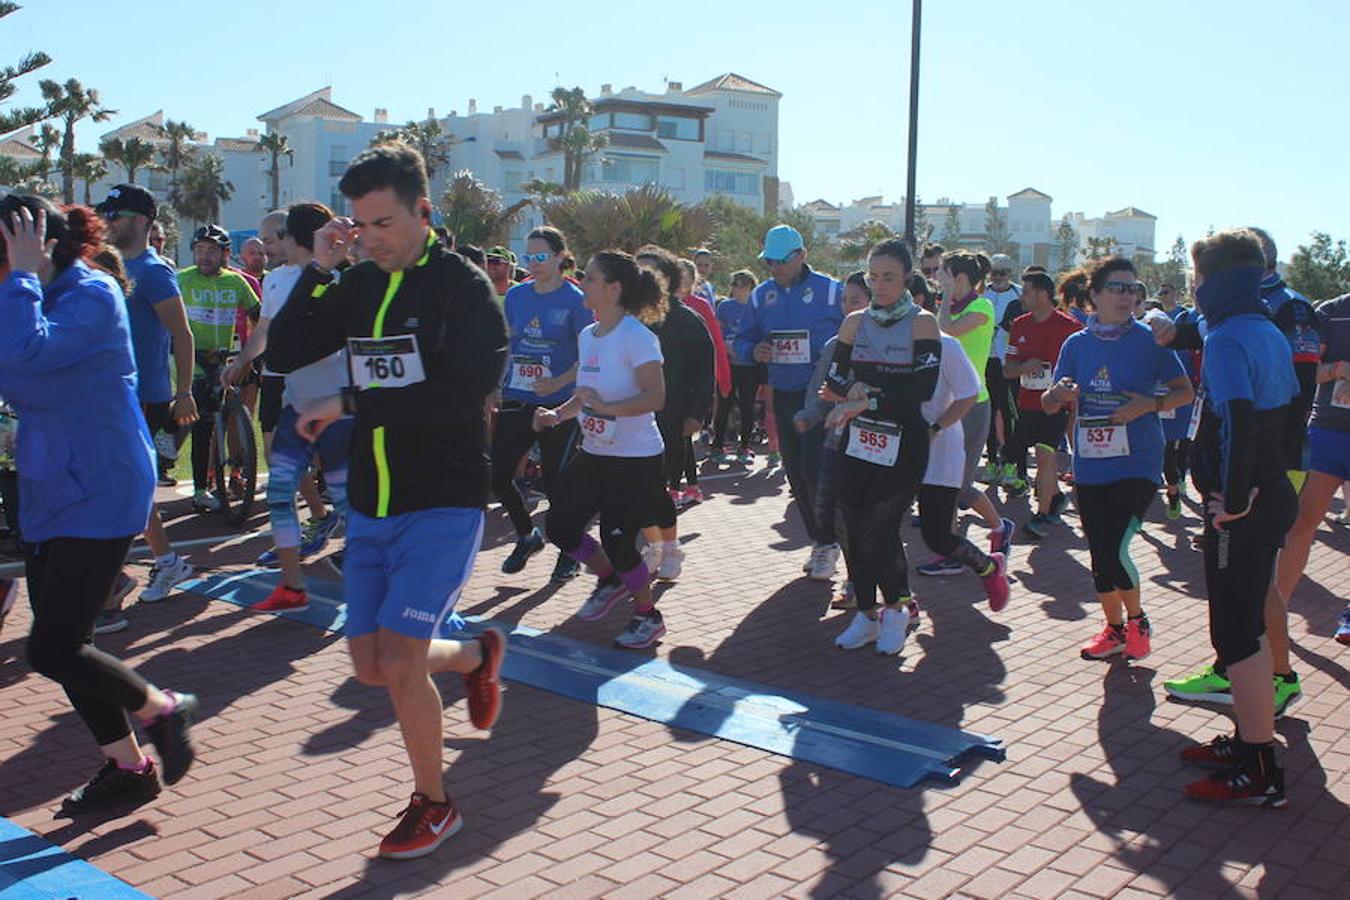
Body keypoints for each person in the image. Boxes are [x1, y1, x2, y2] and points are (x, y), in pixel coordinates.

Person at [266, 144, 509, 859]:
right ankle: (474, 653)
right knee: (370, 667)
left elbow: (459, 394)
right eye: (359, 224)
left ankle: (434, 804)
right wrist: (320, 267)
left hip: (443, 499)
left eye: (384, 223)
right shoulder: (359, 282)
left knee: (400, 661)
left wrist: (349, 400)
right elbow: (285, 351)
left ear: (423, 212)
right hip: (370, 505)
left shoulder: (465, 291)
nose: (370, 237)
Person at [0, 195, 198, 813]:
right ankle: (129, 766)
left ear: (39, 247)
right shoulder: (21, 294)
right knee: (71, 646)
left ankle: (163, 710)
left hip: (102, 485)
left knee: (53, 648)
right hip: (48, 484)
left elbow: (24, 355)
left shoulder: (94, 295)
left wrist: (25, 276)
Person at [1157, 230, 1301, 806]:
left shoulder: (1226, 339)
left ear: (1212, 282)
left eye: (1196, 279)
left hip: (1244, 507)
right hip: (1268, 497)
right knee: (1248, 627)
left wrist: (1236, 499)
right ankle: (1248, 739)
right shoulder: (1265, 327)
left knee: (1236, 636)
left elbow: (1239, 421)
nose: (1192, 290)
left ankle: (1261, 767)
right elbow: (1289, 415)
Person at [1043, 256, 1192, 661]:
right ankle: (1113, 629)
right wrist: (1061, 394)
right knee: (1099, 551)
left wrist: (1147, 404)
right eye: (1118, 288)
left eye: (1133, 288)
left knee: (1114, 548)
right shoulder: (1077, 343)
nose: (1128, 296)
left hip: (1138, 463)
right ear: (1094, 295)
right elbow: (1049, 401)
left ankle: (1137, 621)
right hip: (1090, 462)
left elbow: (1185, 392)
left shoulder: (1150, 339)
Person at [535, 250, 669, 648]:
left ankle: (648, 615)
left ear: (614, 289)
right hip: (594, 451)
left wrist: (610, 409)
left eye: (589, 278)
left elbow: (656, 396)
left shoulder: (638, 337)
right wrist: (557, 415)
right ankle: (610, 578)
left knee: (618, 539)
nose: (582, 283)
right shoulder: (588, 335)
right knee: (559, 526)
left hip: (636, 457)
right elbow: (585, 395)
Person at [229, 203, 351, 611]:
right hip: (296, 403)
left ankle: (371, 571)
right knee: (279, 490)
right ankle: (292, 586)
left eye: (272, 239)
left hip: (337, 408)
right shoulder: (277, 280)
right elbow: (266, 331)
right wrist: (242, 361)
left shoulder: (338, 280)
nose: (267, 247)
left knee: (347, 499)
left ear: (292, 237)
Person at [823, 239, 941, 655]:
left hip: (904, 442)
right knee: (852, 528)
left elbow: (920, 390)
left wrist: (862, 400)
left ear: (907, 277)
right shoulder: (855, 323)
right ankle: (867, 615)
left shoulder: (923, 323)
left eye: (889, 277)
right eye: (874, 277)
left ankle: (896, 612)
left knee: (880, 529)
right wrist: (853, 390)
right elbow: (832, 380)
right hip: (859, 439)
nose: (880, 285)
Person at [96, 185, 198, 608]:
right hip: (115, 394)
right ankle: (161, 561)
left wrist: (185, 392)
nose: (107, 221)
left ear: (140, 220)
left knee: (127, 487)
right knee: (127, 488)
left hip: (147, 397)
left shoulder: (153, 272)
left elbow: (182, 334)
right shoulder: (109, 265)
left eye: (115, 214)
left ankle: (128, 572)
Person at [733, 225, 844, 579]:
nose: (774, 268)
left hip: (822, 395)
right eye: (768, 261)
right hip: (782, 394)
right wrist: (755, 349)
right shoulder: (760, 295)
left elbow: (855, 335)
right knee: (796, 473)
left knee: (816, 469)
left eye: (780, 261)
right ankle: (821, 540)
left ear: (801, 256)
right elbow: (742, 339)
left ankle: (831, 542)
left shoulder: (831, 292)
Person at [494, 226, 590, 583]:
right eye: (527, 257)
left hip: (559, 405)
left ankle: (570, 553)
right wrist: (496, 385)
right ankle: (526, 535)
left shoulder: (576, 300)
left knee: (557, 485)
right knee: (500, 476)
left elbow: (590, 356)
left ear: (560, 258)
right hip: (518, 397)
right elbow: (507, 343)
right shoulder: (517, 297)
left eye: (540, 257)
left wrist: (560, 382)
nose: (532, 264)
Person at [922, 250, 1013, 577]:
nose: (936, 278)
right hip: (947, 405)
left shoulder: (982, 306)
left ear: (959, 278)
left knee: (958, 486)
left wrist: (944, 296)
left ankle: (998, 528)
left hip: (974, 406)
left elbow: (946, 331)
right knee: (944, 483)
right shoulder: (950, 307)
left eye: (943, 273)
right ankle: (953, 547)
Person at [1274, 293, 1350, 653]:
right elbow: (1303, 374)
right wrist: (1337, 370)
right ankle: (1276, 609)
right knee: (1301, 524)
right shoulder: (1330, 312)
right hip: (1327, 434)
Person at [634, 246, 714, 580]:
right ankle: (653, 545)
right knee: (634, 489)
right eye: (640, 272)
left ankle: (669, 548)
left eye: (653, 273)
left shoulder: (686, 319)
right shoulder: (629, 316)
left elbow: (703, 371)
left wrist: (697, 414)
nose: (645, 279)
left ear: (669, 278)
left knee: (656, 488)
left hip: (671, 414)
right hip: (629, 416)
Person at [796, 271, 873, 605]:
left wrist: (853, 401)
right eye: (844, 300)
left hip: (872, 445)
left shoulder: (891, 343)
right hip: (835, 441)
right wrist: (810, 414)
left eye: (855, 300)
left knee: (865, 516)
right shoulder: (834, 344)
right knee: (833, 509)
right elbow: (820, 389)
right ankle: (846, 566)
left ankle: (871, 585)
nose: (847, 306)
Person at [176, 224, 260, 511]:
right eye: (199, 250)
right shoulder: (181, 279)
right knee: (194, 421)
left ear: (224, 254)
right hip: (189, 361)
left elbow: (259, 317)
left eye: (211, 251)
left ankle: (205, 487)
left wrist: (248, 357)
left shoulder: (236, 283)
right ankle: (194, 481)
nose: (204, 256)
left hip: (222, 361)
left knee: (208, 426)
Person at [1003, 270, 1080, 537]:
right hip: (1027, 403)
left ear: (1043, 294)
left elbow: (1082, 369)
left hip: (1057, 404)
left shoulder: (1069, 328)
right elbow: (1007, 370)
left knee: (1045, 454)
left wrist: (1071, 396)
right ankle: (1056, 498)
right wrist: (1026, 366)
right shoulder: (1020, 325)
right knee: (1038, 454)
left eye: (1026, 291)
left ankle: (1043, 514)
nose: (1022, 296)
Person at [672, 256, 730, 505]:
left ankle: (677, 487)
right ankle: (690, 486)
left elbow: (715, 344)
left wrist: (723, 379)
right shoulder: (657, 306)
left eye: (686, 277)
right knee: (679, 438)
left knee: (681, 436)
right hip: (668, 381)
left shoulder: (700, 305)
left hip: (692, 384)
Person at [711, 269, 762, 465]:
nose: (738, 289)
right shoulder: (725, 306)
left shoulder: (757, 307)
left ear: (751, 287)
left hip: (749, 365)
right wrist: (724, 348)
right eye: (735, 284)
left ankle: (745, 447)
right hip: (728, 365)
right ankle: (717, 446)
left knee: (747, 406)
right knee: (724, 404)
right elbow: (717, 332)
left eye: (743, 285)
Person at [982, 253, 1023, 486]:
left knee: (1009, 414)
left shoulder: (1018, 294)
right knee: (988, 412)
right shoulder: (981, 293)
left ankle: (1010, 462)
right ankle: (990, 460)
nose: (998, 277)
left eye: (1003, 273)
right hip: (985, 359)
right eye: (994, 272)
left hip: (1008, 361)